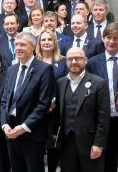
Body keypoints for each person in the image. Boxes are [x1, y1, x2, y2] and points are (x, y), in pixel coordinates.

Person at [0, 31, 55, 172]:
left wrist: (24, 127)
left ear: (32, 47)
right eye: (16, 44)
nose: (18, 47)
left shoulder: (44, 69)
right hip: (11, 132)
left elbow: (43, 104)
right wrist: (4, 124)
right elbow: (4, 101)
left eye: (22, 45)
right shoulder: (12, 69)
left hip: (32, 133)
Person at [56, 47, 110, 172]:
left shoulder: (99, 83)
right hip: (66, 143)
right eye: (70, 59)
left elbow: (103, 118)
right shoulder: (61, 82)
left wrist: (98, 144)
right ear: (66, 61)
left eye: (78, 58)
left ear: (85, 60)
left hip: (90, 144)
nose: (74, 61)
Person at [35, 29, 69, 172]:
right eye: (43, 40)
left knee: (54, 146)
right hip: (36, 110)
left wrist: (53, 102)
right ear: (39, 43)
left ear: (55, 42)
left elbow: (66, 83)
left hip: (56, 111)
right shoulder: (33, 61)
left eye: (49, 39)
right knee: (37, 146)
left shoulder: (62, 61)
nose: (46, 42)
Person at [87, 22, 118, 172]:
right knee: (104, 159)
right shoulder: (92, 63)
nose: (112, 42)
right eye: (109, 38)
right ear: (103, 39)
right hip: (101, 119)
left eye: (116, 38)